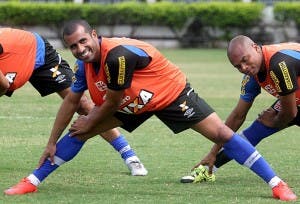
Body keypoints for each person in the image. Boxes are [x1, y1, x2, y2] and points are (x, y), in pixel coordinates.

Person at [4, 20, 297, 201]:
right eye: (73, 46)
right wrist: (52, 140)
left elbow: (112, 102)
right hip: (133, 101)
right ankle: (32, 181)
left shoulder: (118, 56)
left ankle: (277, 184)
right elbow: (71, 101)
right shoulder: (84, 65)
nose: (80, 49)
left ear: (94, 35)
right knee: (78, 132)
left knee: (221, 132)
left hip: (170, 93)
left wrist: (90, 119)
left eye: (83, 41)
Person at [0, 27, 147, 185]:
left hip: (35, 50)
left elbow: (3, 86)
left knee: (82, 104)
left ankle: (129, 154)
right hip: (11, 58)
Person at [188, 35, 300, 198]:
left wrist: (275, 121)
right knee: (256, 130)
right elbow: (237, 116)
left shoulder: (278, 64)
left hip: (293, 106)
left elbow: (290, 113)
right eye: (238, 66)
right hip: (294, 102)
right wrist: (213, 152)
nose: (244, 67)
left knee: (269, 121)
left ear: (255, 47)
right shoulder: (251, 76)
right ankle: (210, 167)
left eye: (245, 60)